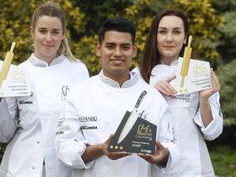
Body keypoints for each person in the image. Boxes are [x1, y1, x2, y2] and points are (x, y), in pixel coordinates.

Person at [56, 17, 179, 177]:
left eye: (125, 47)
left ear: (134, 50)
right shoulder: (78, 94)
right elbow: (63, 147)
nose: (118, 53)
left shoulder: (152, 97)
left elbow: (170, 144)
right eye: (110, 46)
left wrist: (164, 155)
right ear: (98, 49)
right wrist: (101, 149)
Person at [0, 2, 89, 177]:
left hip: (64, 167)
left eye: (55, 32)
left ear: (63, 34)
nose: (48, 38)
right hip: (22, 166)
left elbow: (86, 123)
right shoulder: (16, 72)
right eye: (42, 31)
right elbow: (5, 134)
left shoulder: (78, 70)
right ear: (32, 31)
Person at [137, 9, 223, 176]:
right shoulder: (137, 76)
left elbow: (212, 133)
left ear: (185, 38)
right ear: (155, 37)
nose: (169, 38)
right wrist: (152, 95)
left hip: (190, 167)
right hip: (148, 166)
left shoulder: (199, 73)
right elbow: (127, 126)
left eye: (176, 32)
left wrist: (204, 99)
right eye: (162, 32)